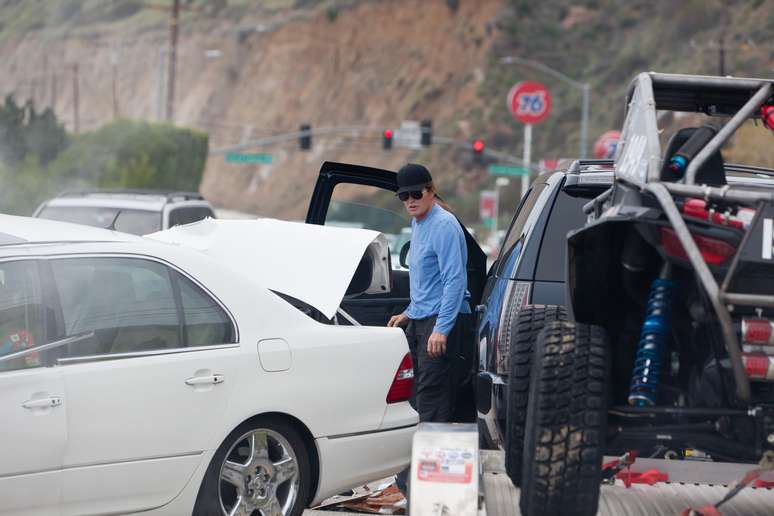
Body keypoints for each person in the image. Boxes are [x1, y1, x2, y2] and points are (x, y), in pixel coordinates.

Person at [387, 163, 473, 495]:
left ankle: (425, 489)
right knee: (417, 398)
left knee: (433, 403)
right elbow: (428, 282)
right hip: (423, 321)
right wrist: (409, 313)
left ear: (431, 189)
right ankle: (411, 480)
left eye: (416, 193)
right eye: (403, 196)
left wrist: (442, 328)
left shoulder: (444, 226)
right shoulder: (418, 223)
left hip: (443, 324)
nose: (410, 200)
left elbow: (455, 281)